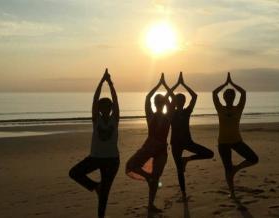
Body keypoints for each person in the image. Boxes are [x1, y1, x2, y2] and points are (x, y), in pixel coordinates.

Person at [69, 68, 120, 218]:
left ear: (110, 109)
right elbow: (94, 99)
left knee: (104, 195)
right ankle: (95, 186)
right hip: (95, 157)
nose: (105, 109)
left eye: (107, 107)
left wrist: (110, 84)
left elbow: (116, 100)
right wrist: (101, 81)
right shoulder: (96, 119)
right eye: (102, 107)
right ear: (99, 109)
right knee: (74, 173)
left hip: (112, 160)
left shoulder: (114, 119)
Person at [126, 73, 175, 214]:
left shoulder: (168, 116)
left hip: (160, 150)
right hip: (148, 147)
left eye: (161, 102)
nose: (159, 104)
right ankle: (148, 177)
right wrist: (160, 84)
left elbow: (172, 102)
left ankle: (150, 204)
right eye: (157, 103)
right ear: (155, 104)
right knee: (131, 165)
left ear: (164, 104)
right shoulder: (151, 116)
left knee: (156, 178)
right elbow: (148, 98)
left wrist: (165, 86)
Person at [213, 72, 259, 199]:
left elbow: (243, 93)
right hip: (223, 143)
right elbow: (214, 93)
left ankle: (236, 169)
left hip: (236, 141)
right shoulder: (219, 108)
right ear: (224, 97)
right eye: (227, 95)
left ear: (234, 97)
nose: (229, 97)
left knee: (254, 158)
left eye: (231, 95)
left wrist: (232, 84)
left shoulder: (238, 108)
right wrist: (224, 84)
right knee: (227, 168)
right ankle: (232, 193)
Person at [170, 72, 214, 200]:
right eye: (179, 100)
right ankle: (183, 193)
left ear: (184, 102)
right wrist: (176, 85)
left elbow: (194, 96)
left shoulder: (187, 111)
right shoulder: (171, 112)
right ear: (175, 102)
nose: (181, 102)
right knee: (179, 170)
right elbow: (168, 96)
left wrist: (183, 84)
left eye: (183, 100)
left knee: (209, 154)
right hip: (176, 144)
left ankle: (187, 159)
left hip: (188, 141)